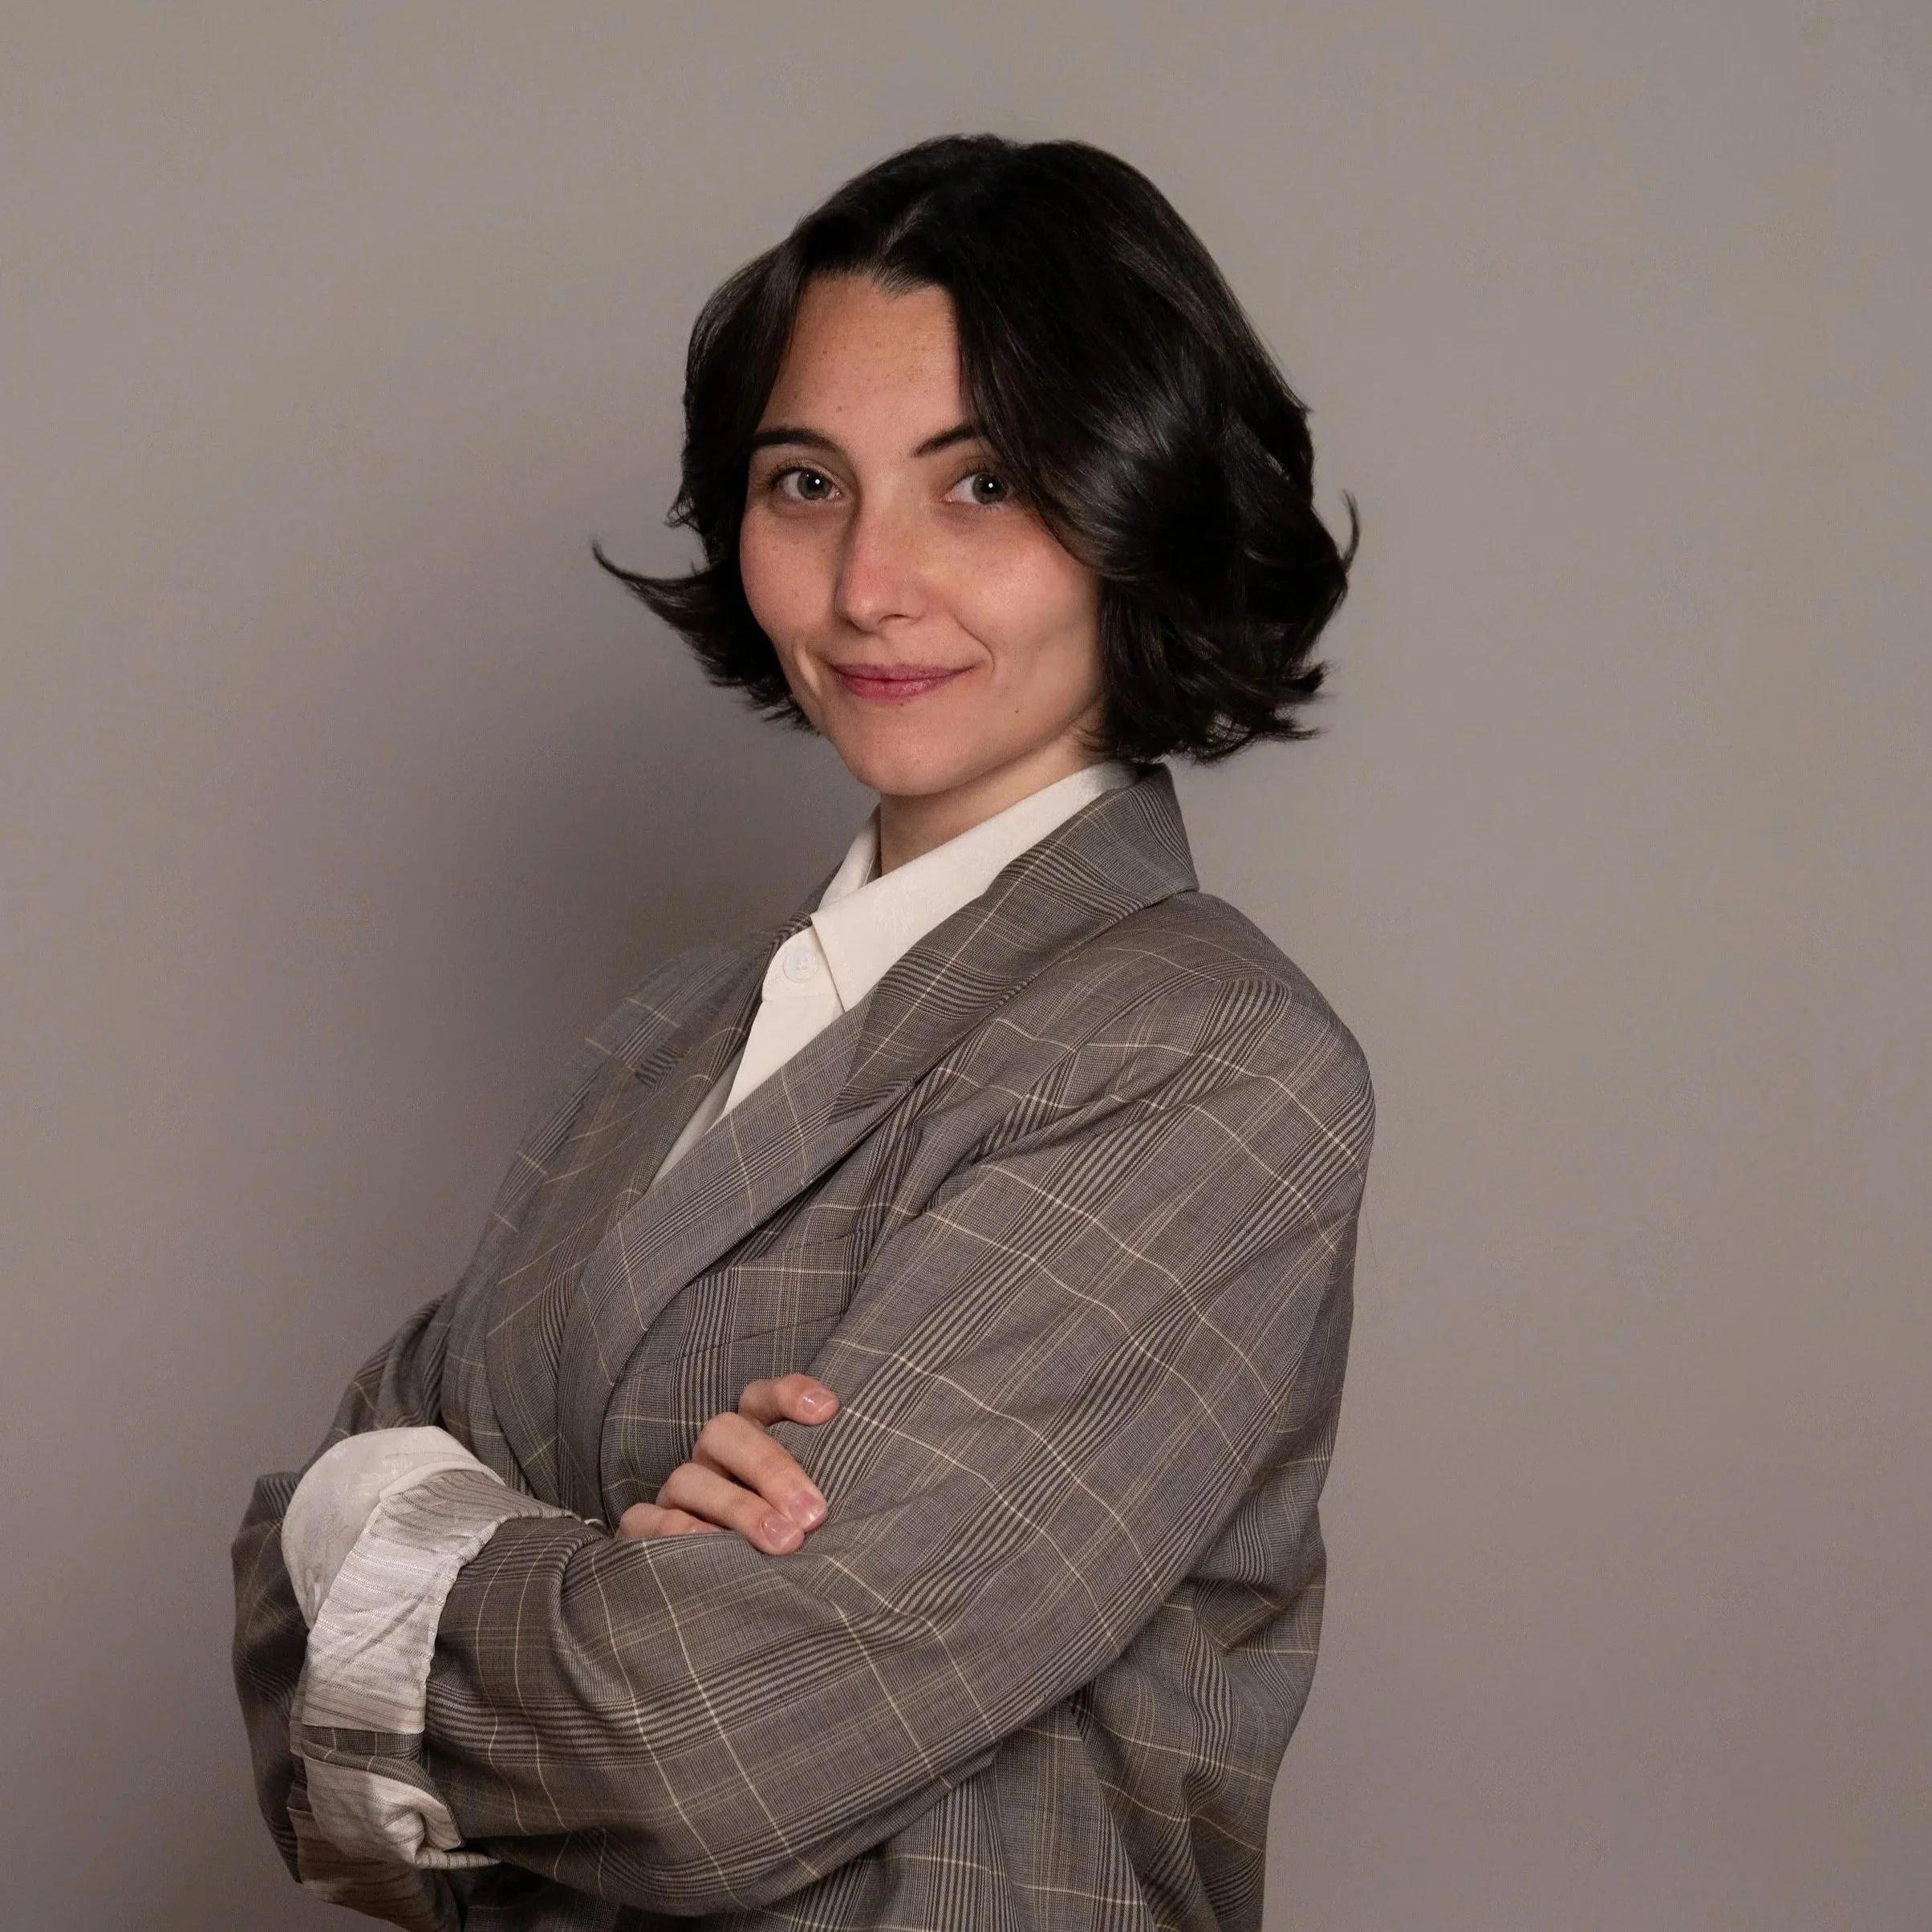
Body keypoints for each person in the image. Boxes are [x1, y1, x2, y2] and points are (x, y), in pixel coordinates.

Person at [233, 132, 1374, 1932]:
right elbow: (270, 1630)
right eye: (803, 482)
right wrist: (571, 1563)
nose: (867, 586)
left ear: (1143, 501)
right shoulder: (663, 1038)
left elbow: (704, 1749)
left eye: (982, 481)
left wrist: (399, 1528)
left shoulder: (1204, 1058)